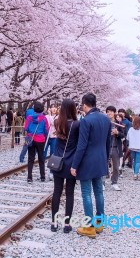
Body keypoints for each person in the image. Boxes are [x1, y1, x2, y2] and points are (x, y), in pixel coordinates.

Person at [70, 93, 111, 238]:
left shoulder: (86, 121)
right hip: (100, 159)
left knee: (86, 193)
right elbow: (108, 143)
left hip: (87, 161)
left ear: (84, 105)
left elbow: (81, 146)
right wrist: (105, 160)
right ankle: (100, 224)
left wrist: (74, 165)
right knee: (99, 192)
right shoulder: (106, 119)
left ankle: (89, 227)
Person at [50, 99, 79, 233]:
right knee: (69, 194)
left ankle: (54, 223)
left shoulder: (57, 122)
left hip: (58, 161)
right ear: (73, 109)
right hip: (71, 162)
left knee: (57, 191)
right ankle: (67, 224)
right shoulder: (76, 124)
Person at [23, 101, 49, 182]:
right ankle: (42, 176)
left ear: (34, 109)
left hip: (30, 139)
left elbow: (25, 128)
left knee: (30, 158)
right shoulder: (44, 119)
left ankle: (29, 177)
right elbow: (46, 130)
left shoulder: (29, 118)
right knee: (41, 158)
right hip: (40, 140)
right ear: (42, 110)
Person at [106, 106, 125, 191]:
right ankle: (102, 183)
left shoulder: (119, 123)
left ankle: (114, 182)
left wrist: (117, 132)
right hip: (105, 146)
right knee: (104, 165)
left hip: (115, 147)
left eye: (111, 111)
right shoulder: (104, 122)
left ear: (114, 112)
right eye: (107, 112)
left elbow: (123, 135)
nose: (109, 113)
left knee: (116, 167)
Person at [126, 116, 140, 180]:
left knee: (134, 160)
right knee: (138, 161)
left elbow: (127, 138)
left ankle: (134, 172)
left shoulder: (130, 129)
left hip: (132, 147)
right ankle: (136, 173)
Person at [44, 104, 58, 180]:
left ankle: (52, 172)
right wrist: (48, 115)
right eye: (52, 107)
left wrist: (49, 115)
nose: (54, 109)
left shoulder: (58, 117)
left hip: (54, 137)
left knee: (53, 155)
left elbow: (54, 123)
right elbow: (46, 124)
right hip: (47, 137)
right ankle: (42, 172)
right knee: (43, 154)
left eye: (55, 107)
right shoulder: (46, 117)